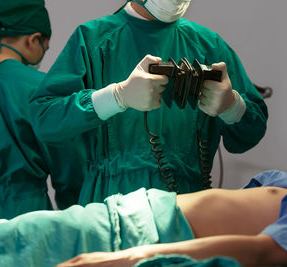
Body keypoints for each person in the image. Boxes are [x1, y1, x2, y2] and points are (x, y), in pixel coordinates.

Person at [29, 0, 268, 205]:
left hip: (187, 205)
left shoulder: (208, 45)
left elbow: (252, 130)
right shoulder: (94, 39)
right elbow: (45, 118)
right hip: (109, 204)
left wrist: (232, 107)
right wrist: (115, 96)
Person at [0, 166, 287, 267]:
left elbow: (263, 253)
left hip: (134, 239)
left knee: (4, 245)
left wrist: (127, 258)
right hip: (132, 214)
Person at [0, 0, 81, 220]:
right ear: (33, 39)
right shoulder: (38, 89)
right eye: (44, 44)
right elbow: (68, 169)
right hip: (23, 217)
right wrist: (74, 213)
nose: (46, 50)